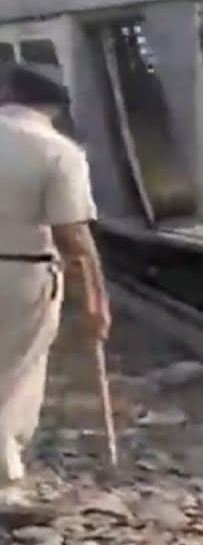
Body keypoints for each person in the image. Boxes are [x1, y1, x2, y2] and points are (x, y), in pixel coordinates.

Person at [0, 64, 110, 507]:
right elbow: (73, 238)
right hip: (20, 272)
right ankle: (4, 485)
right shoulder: (57, 151)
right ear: (55, 108)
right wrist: (95, 298)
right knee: (11, 375)